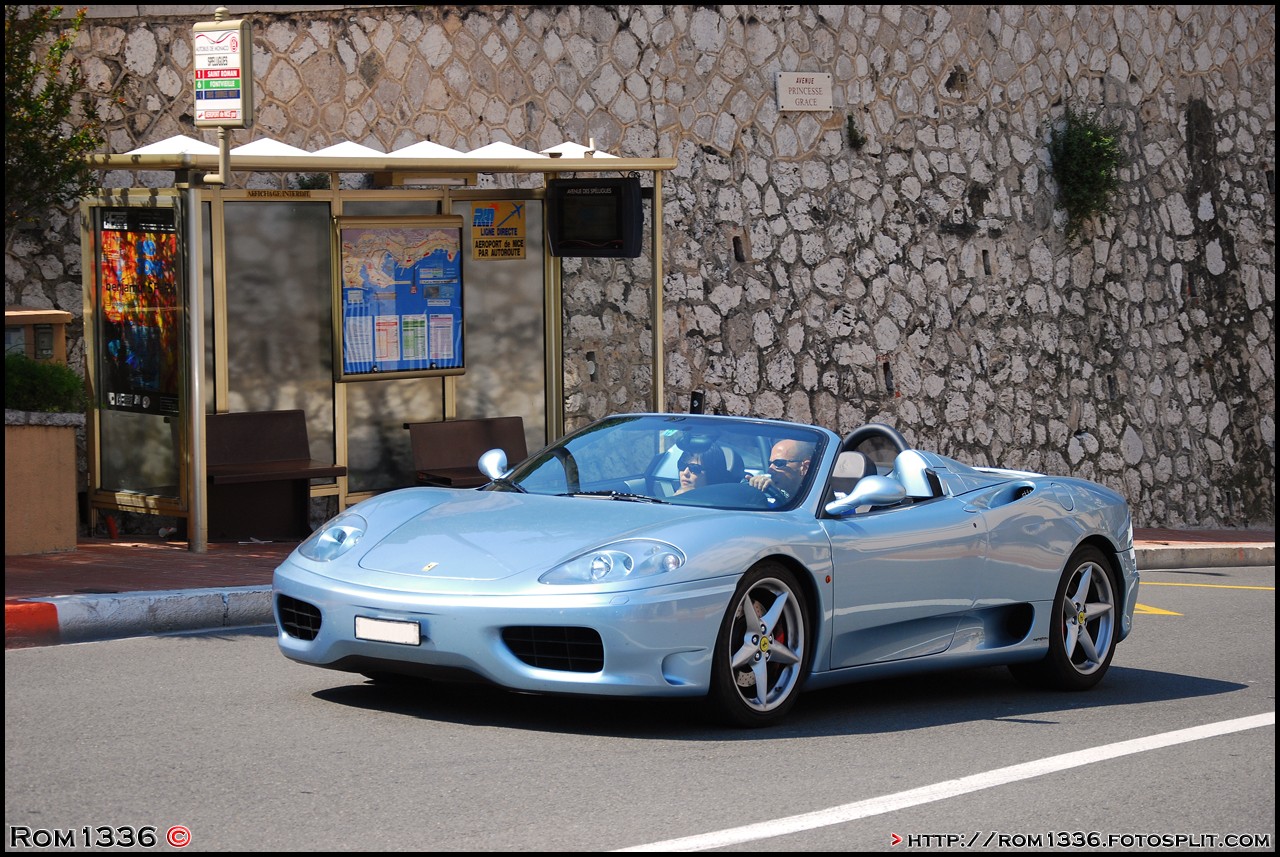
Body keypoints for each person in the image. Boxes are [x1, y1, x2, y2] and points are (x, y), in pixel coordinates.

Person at [748, 439, 815, 500]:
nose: (769, 471)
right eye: (770, 463)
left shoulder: (818, 502)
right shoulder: (769, 499)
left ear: (805, 468)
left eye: (779, 463)